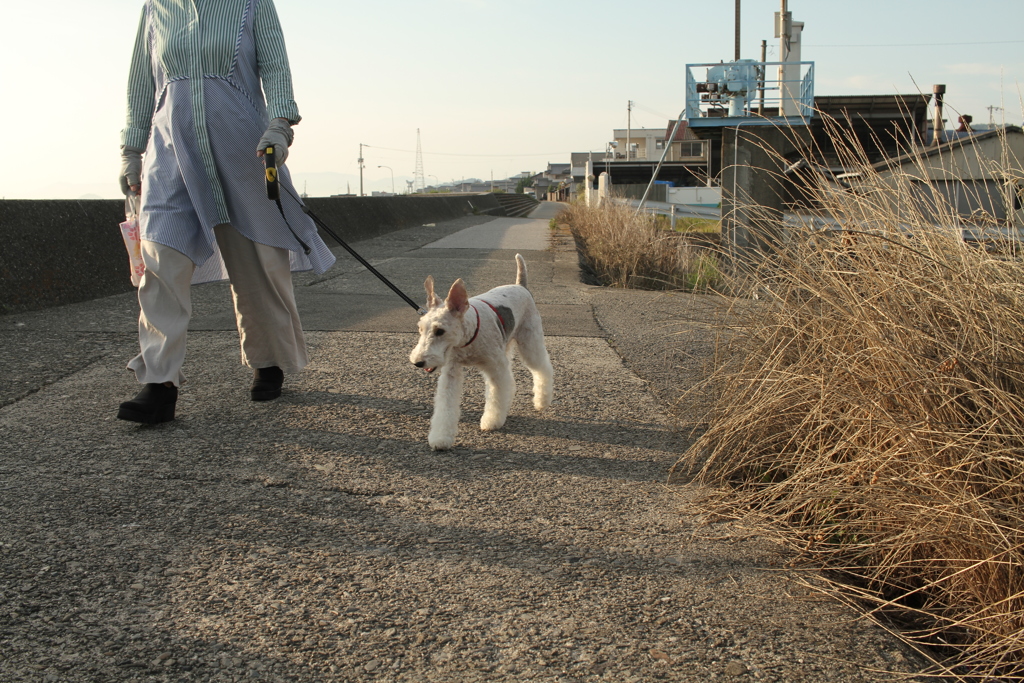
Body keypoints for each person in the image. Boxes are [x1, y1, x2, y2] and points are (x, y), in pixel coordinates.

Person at [117, 0, 335, 424]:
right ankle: (159, 383)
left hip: (243, 148)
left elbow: (275, 69)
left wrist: (280, 126)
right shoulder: (155, 8)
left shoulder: (251, 4)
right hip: (169, 154)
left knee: (257, 263)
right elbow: (140, 85)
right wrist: (131, 149)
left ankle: (268, 360)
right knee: (160, 264)